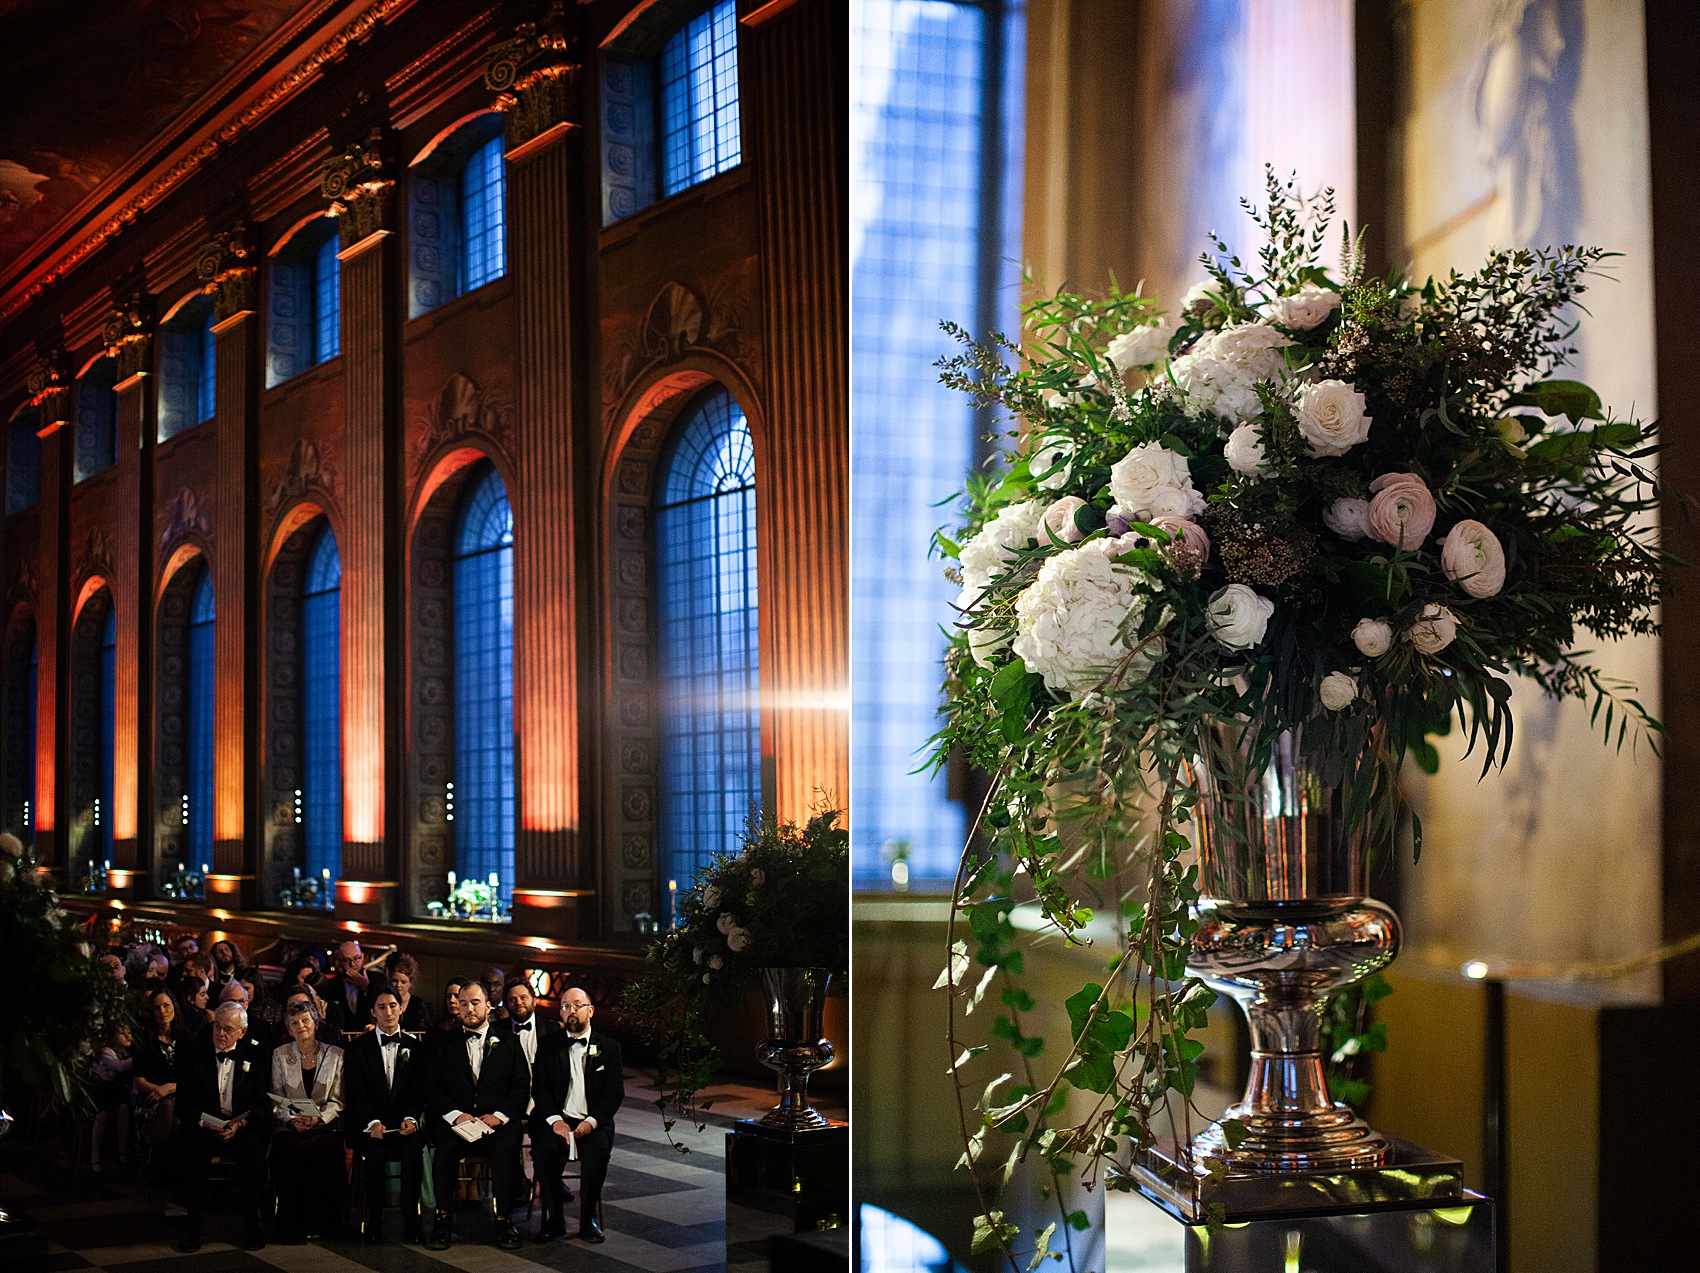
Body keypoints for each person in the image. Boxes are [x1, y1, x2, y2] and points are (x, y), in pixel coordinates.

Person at [423, 980, 527, 1251]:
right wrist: (457, 1116)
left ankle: (504, 1220)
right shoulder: (443, 1043)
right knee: (444, 1149)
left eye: (475, 1002)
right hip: (457, 1121)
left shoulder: (509, 1042)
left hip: (496, 1122)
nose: (469, 1008)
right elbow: (432, 1088)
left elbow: (520, 1088)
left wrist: (499, 1116)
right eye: (464, 1002)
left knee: (506, 1147)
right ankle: (443, 1219)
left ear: (489, 1006)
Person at [530, 986, 624, 1244]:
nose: (570, 1011)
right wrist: (555, 1121)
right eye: (565, 1006)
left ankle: (587, 1220)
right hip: (557, 1120)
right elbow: (540, 1089)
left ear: (590, 1010)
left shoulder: (609, 1047)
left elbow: (614, 1093)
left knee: (597, 1155)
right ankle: (555, 1219)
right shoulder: (549, 1045)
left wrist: (591, 1123)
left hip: (594, 1121)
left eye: (576, 1006)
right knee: (542, 1153)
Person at [176, 1001, 271, 1252]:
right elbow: (182, 1105)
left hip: (240, 1125)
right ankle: (192, 1226)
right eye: (217, 1026)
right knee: (194, 1149)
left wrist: (239, 1124)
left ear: (242, 1032)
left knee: (253, 1148)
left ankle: (251, 1224)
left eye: (228, 1029)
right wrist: (204, 1121)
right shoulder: (195, 1052)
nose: (220, 1033)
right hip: (203, 1124)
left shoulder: (255, 1056)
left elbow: (261, 1104)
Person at [344, 988, 426, 1243]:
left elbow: (418, 1090)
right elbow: (355, 1092)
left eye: (393, 1006)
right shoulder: (358, 1048)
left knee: (413, 1152)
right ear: (373, 1012)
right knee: (375, 1156)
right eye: (382, 1007)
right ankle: (374, 1222)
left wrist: (411, 1119)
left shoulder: (415, 1047)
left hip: (404, 1125)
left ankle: (411, 1221)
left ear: (401, 1008)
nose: (388, 1012)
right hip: (372, 1125)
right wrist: (373, 1122)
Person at [268, 1000, 346, 1242]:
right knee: (289, 1149)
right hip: (291, 1126)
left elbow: (337, 1101)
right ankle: (293, 1223)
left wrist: (318, 1118)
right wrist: (292, 1120)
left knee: (322, 1149)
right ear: (289, 1029)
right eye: (294, 1023)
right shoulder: (280, 1055)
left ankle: (322, 1221)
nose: (300, 1026)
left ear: (315, 1023)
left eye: (305, 1020)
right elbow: (276, 1098)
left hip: (323, 1126)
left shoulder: (335, 1055)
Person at [132, 985, 184, 1176]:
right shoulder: (144, 1040)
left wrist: (170, 1088)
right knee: (168, 1106)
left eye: (166, 1006)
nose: (162, 1011)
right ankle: (156, 1165)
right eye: (157, 1007)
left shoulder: (185, 1039)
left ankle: (171, 1171)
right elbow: (139, 1082)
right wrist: (162, 1091)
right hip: (150, 1100)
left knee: (179, 1120)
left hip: (181, 1095)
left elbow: (192, 1078)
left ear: (174, 1007)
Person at [90, 1020, 134, 1173]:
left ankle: (122, 1153)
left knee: (124, 1109)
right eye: (122, 1033)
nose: (128, 1036)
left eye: (129, 1032)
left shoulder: (126, 1053)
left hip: (114, 1093)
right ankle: (95, 1157)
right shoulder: (106, 1052)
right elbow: (119, 1067)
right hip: (100, 1092)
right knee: (101, 1115)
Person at [323, 940, 386, 1032]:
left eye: (357, 958)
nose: (352, 964)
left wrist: (366, 988)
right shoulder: (332, 984)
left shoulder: (378, 980)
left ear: (363, 957)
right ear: (339, 961)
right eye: (346, 960)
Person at [387, 954, 432, 1034]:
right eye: (395, 981)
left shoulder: (418, 1005)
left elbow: (426, 1033)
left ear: (410, 983)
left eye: (403, 982)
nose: (398, 985)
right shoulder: (382, 1002)